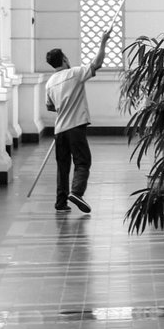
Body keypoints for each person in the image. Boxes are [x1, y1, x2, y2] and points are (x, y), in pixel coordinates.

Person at [45, 26, 113, 214]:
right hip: (75, 127)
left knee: (63, 166)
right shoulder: (74, 73)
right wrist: (103, 41)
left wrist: (62, 106)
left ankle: (60, 203)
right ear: (65, 59)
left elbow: (50, 107)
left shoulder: (50, 83)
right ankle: (76, 192)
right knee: (82, 162)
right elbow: (96, 64)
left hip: (59, 130)